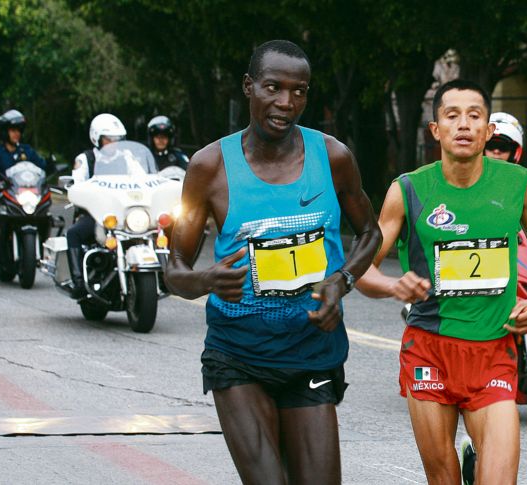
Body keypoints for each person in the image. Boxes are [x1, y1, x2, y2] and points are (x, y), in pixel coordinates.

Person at [164, 39, 382, 484]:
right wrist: (205, 279)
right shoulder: (209, 167)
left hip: (312, 349)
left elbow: (370, 233)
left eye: (299, 91)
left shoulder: (334, 157)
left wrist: (341, 282)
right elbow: (173, 271)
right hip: (239, 352)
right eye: (272, 87)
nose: (286, 102)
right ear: (249, 87)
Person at [356, 79, 527, 485]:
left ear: (488, 131)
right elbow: (361, 269)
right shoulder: (407, 190)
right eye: (452, 115)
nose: (463, 124)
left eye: (474, 116)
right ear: (436, 130)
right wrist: (394, 286)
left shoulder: (517, 184)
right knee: (442, 479)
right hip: (429, 351)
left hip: (494, 349)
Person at [66, 113, 127, 298]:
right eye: (109, 139)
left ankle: (165, 273)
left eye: (117, 139)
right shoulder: (85, 159)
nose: (113, 143)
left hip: (125, 215)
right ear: (97, 138)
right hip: (96, 215)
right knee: (74, 233)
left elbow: (145, 178)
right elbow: (77, 185)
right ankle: (78, 282)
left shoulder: (128, 158)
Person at [0, 109, 50, 216]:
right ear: (4, 132)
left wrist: (50, 164)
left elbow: (42, 165)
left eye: (19, 130)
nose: (16, 134)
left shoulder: (27, 150)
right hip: (5, 191)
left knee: (46, 209)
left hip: (27, 192)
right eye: (13, 130)